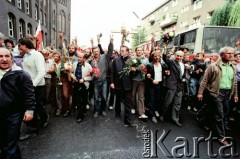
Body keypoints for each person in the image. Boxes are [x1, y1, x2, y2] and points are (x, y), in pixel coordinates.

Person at [197, 46, 238, 146]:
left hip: (228, 94)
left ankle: (202, 121)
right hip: (216, 93)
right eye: (228, 53)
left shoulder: (233, 66)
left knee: (221, 112)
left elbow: (235, 82)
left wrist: (235, 94)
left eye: (232, 53)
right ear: (222, 55)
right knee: (220, 115)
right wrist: (200, 93)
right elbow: (205, 80)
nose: (231, 55)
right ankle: (221, 137)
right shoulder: (213, 66)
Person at [0, 47, 35, 159]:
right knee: (4, 143)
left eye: (7, 56)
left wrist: (30, 110)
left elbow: (29, 94)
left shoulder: (21, 74)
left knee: (10, 144)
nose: (4, 59)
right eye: (0, 56)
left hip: (13, 114)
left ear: (12, 58)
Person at [18, 38, 49, 140]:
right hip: (27, 85)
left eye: (20, 45)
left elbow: (41, 72)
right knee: (31, 106)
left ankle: (44, 118)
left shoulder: (37, 55)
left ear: (25, 45)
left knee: (38, 105)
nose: (19, 47)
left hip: (37, 85)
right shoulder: (26, 55)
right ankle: (33, 130)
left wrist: (33, 84)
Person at [160, 50, 185, 127]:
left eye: (180, 56)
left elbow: (183, 75)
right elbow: (165, 58)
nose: (179, 57)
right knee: (167, 102)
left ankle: (175, 119)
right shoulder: (171, 62)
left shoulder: (183, 65)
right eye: (177, 55)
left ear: (183, 57)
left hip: (180, 87)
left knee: (177, 104)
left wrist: (184, 79)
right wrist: (164, 47)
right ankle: (162, 115)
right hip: (172, 86)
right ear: (175, 55)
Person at [110, 45, 134, 126]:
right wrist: (112, 82)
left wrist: (134, 70)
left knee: (128, 103)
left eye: (123, 50)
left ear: (127, 51)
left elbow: (135, 72)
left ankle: (127, 119)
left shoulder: (132, 60)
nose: (121, 52)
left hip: (128, 84)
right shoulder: (116, 60)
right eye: (121, 50)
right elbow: (112, 72)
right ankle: (117, 112)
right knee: (118, 99)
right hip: (118, 83)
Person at [72, 52, 92, 123]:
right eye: (78, 57)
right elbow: (70, 72)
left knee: (84, 100)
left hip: (84, 85)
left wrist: (84, 79)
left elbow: (91, 76)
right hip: (76, 84)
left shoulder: (88, 66)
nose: (79, 58)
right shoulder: (74, 64)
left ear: (84, 58)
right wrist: (73, 77)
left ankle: (83, 110)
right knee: (78, 100)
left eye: (80, 57)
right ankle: (79, 116)